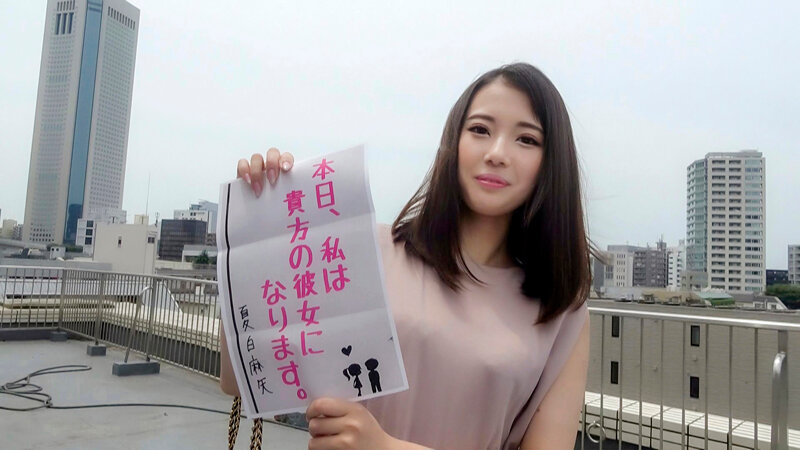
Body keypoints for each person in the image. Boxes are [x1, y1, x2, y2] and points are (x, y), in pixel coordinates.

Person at [220, 62, 592, 450]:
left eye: (527, 139)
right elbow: (240, 380)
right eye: (480, 130)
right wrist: (255, 242)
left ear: (552, 162)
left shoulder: (562, 311)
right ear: (454, 140)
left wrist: (384, 447)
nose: (497, 153)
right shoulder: (370, 250)